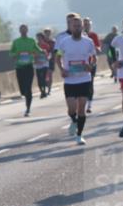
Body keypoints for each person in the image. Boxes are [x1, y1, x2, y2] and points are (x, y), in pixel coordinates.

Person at [54, 14, 97, 145]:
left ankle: (79, 135)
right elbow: (58, 57)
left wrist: (91, 65)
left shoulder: (88, 42)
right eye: (74, 26)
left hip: (84, 79)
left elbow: (94, 57)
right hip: (70, 81)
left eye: (79, 26)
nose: (77, 28)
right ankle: (73, 120)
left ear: (82, 27)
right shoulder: (64, 42)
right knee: (71, 109)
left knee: (81, 109)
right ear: (70, 27)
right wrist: (62, 70)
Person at [10, 24, 44, 116]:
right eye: (22, 30)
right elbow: (11, 52)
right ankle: (26, 96)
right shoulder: (16, 42)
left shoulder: (31, 41)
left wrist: (40, 52)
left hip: (29, 67)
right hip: (19, 67)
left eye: (25, 29)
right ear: (19, 31)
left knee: (28, 88)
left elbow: (38, 50)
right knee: (22, 90)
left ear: (27, 30)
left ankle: (28, 108)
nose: (23, 31)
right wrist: (16, 55)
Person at [83, 17, 102, 112]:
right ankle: (82, 102)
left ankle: (89, 104)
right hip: (81, 64)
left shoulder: (93, 35)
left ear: (90, 25)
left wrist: (95, 47)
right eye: (85, 24)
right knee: (82, 84)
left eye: (88, 24)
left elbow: (99, 48)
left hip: (91, 63)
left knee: (90, 83)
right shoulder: (79, 35)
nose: (86, 26)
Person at [34, 32, 53, 98]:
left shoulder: (46, 45)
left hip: (45, 64)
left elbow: (50, 54)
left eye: (40, 37)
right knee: (39, 79)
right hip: (38, 65)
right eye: (37, 38)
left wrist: (48, 58)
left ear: (42, 38)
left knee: (44, 78)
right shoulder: (35, 45)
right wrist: (34, 59)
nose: (38, 39)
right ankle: (42, 91)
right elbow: (33, 54)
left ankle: (44, 91)